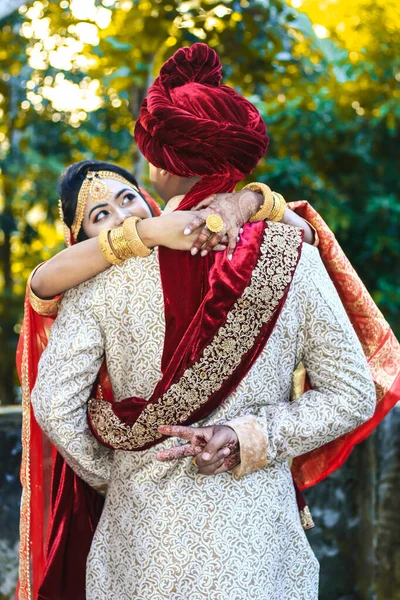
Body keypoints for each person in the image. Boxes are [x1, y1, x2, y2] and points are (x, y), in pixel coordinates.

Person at [28, 44, 397, 600]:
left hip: (140, 550)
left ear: (154, 163)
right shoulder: (292, 248)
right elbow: (352, 395)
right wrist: (248, 437)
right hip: (259, 550)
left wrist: (120, 471)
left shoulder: (99, 273)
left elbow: (53, 404)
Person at [16, 159, 316, 600]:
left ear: (148, 198)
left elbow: (305, 235)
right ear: (79, 244)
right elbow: (41, 282)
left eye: (127, 199)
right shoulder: (85, 282)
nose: (123, 217)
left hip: (147, 535)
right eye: (100, 217)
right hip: (250, 535)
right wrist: (152, 232)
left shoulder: (220, 241)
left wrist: (249, 199)